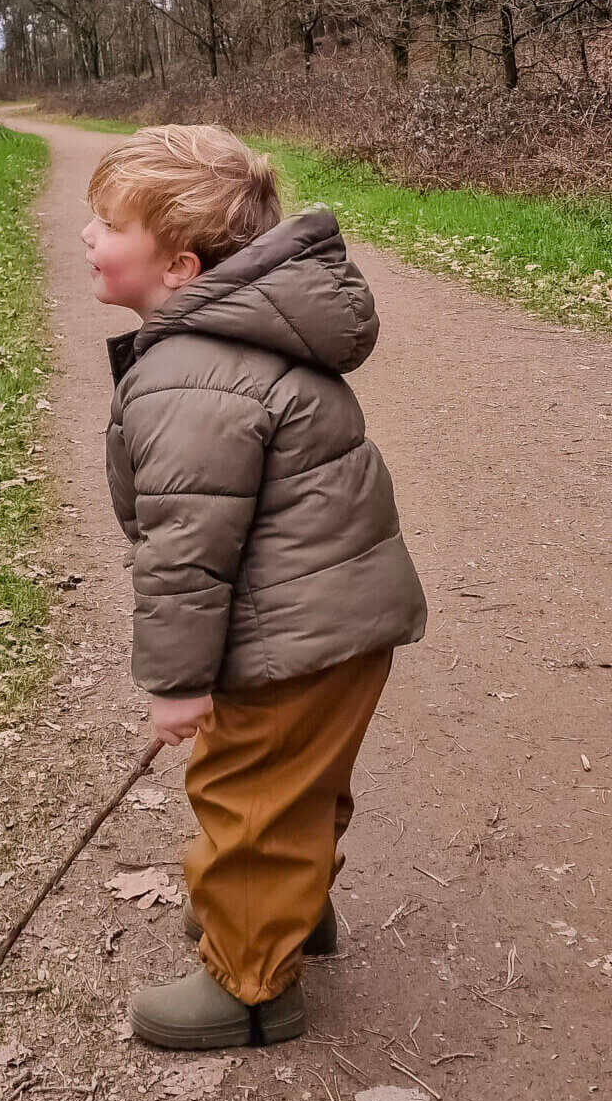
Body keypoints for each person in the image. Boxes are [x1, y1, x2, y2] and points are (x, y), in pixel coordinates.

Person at [83, 123, 427, 1051]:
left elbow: (189, 549)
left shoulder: (191, 375)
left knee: (249, 793)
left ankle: (251, 987)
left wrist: (178, 680)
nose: (88, 236)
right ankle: (291, 909)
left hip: (294, 631)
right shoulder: (237, 336)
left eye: (108, 222)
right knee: (301, 782)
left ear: (183, 266)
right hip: (337, 618)